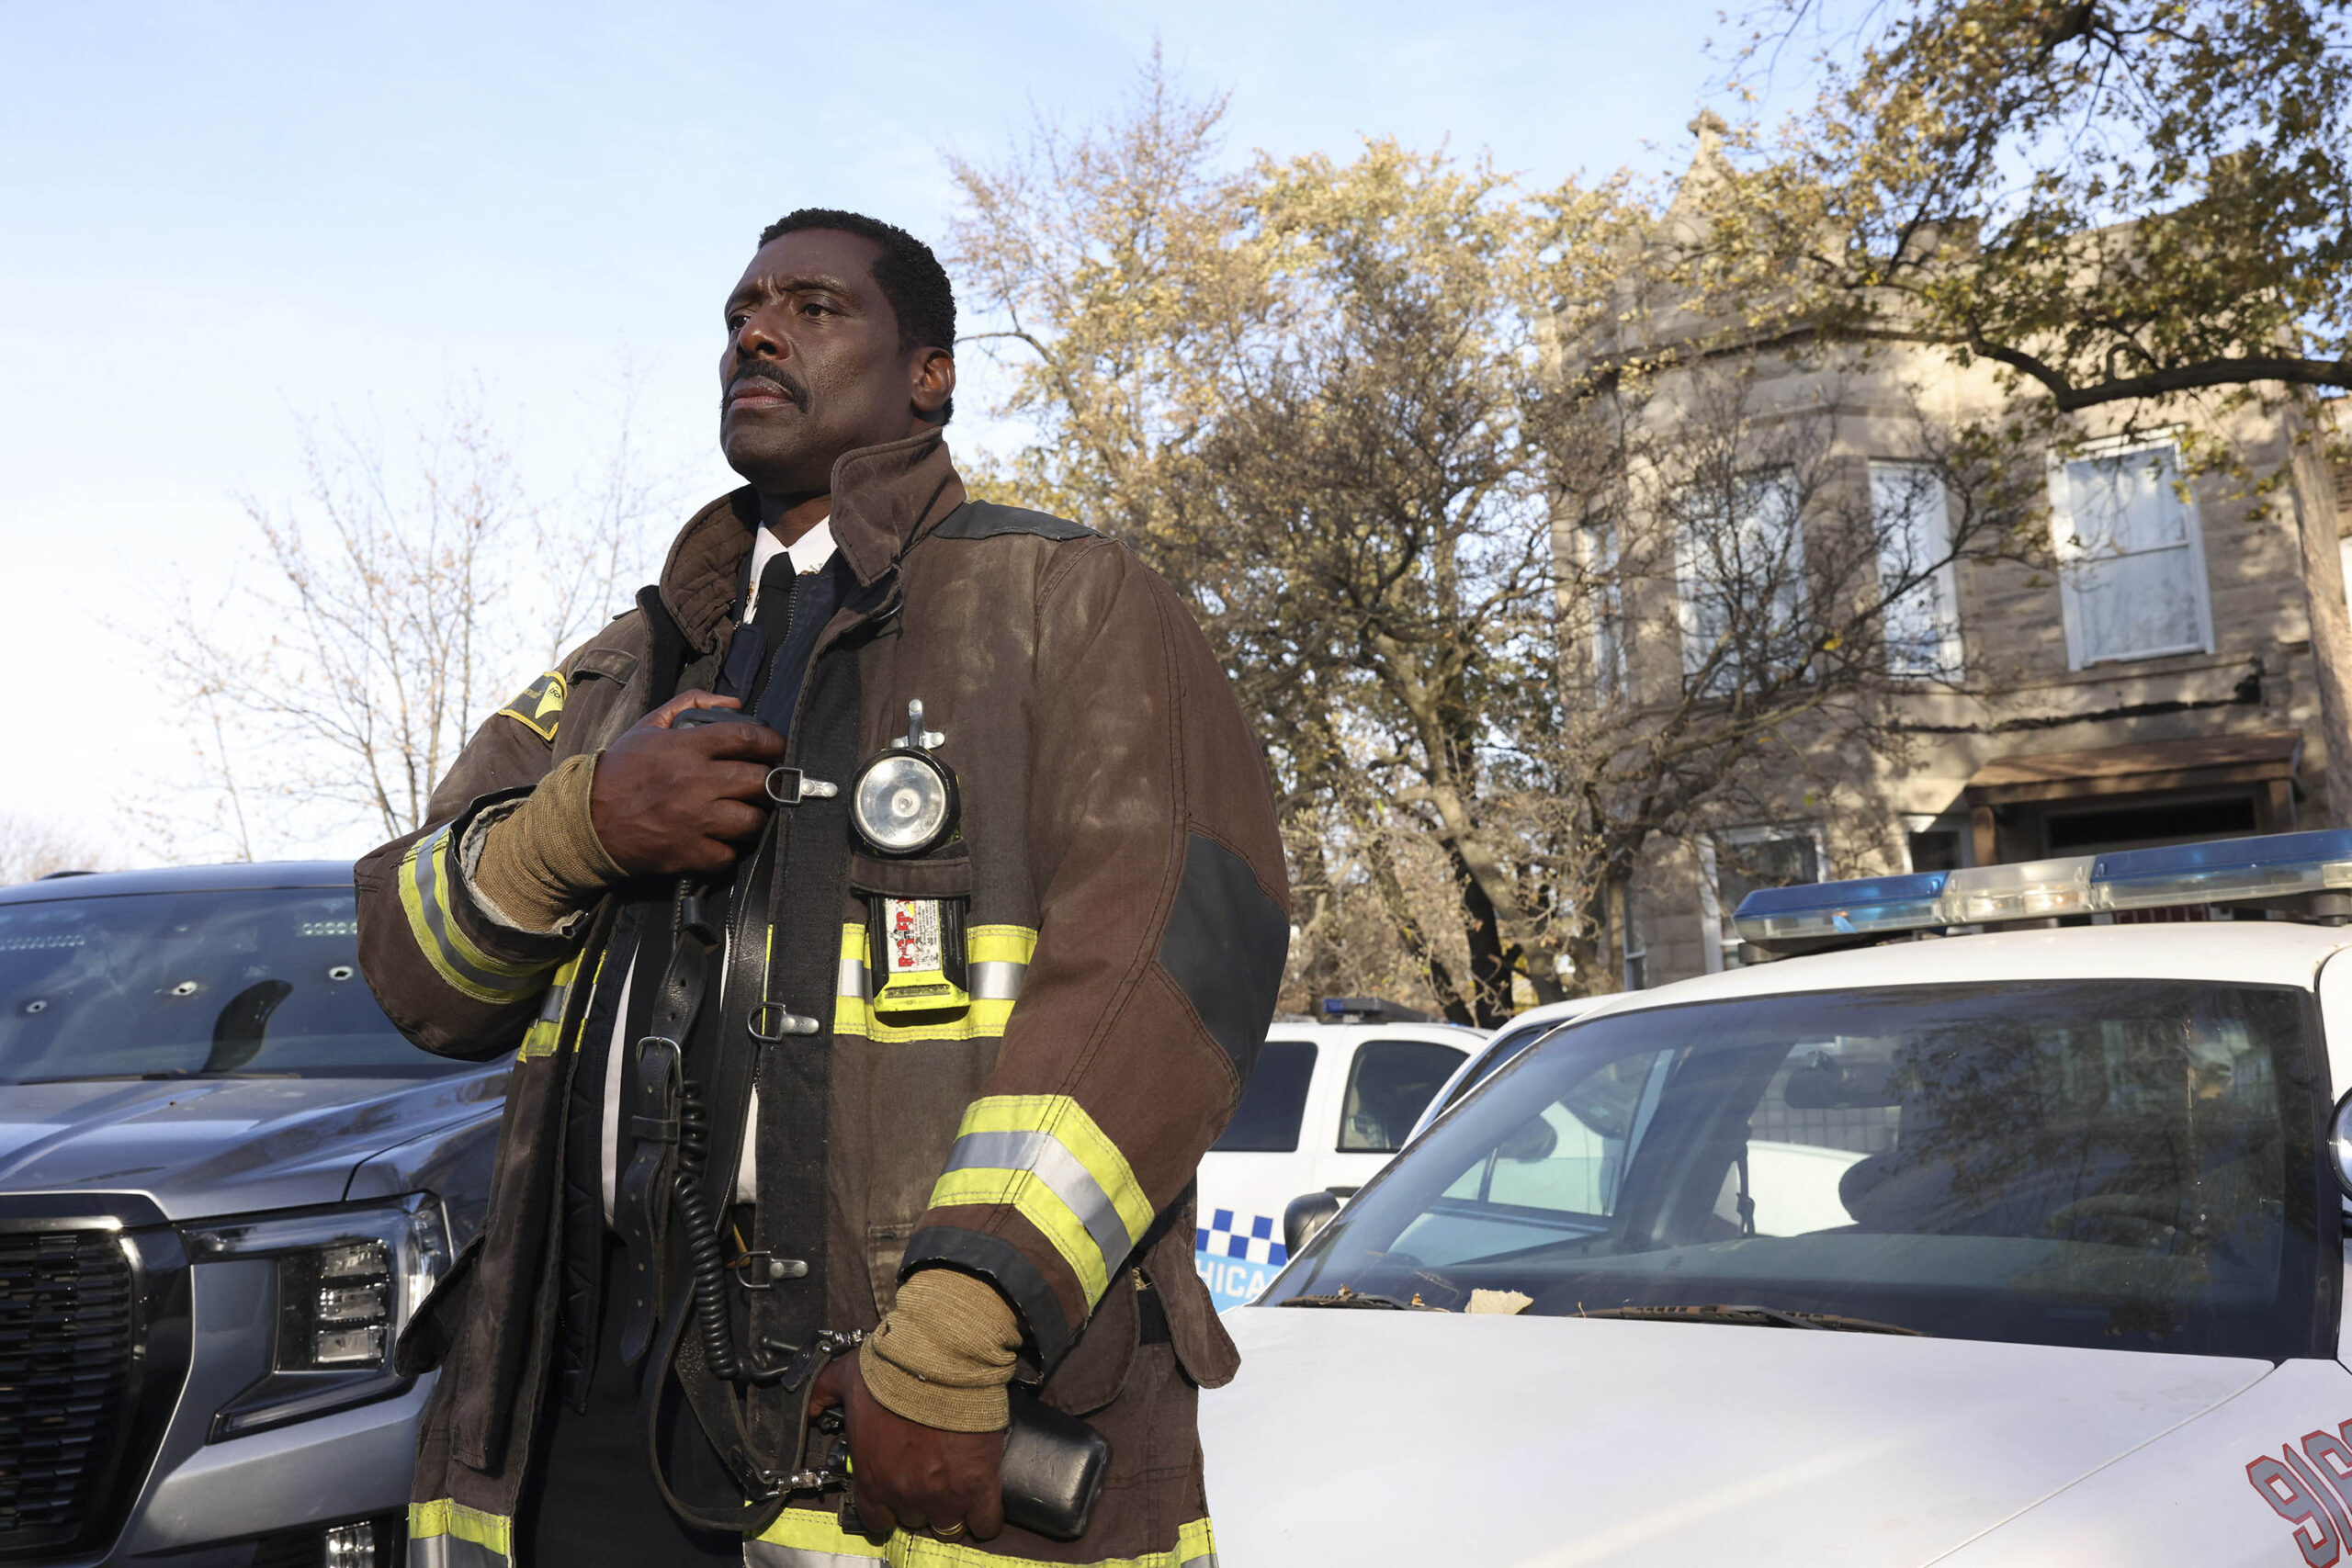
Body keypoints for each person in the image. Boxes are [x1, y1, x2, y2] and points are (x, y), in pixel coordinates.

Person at [356, 209, 1289, 1568]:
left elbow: (1170, 966)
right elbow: (404, 953)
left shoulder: (1068, 602)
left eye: (812, 305)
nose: (755, 329)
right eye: (740, 309)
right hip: (575, 1420)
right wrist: (578, 828)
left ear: (930, 375)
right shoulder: (625, 670)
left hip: (910, 1411)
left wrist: (961, 1334)